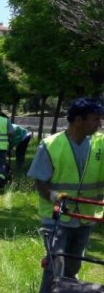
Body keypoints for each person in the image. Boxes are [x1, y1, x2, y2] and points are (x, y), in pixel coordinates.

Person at [27, 97, 104, 279]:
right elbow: (40, 180)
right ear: (78, 120)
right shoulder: (51, 145)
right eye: (95, 119)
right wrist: (53, 195)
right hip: (56, 215)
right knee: (56, 260)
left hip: (86, 215)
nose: (99, 124)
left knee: (74, 262)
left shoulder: (100, 143)